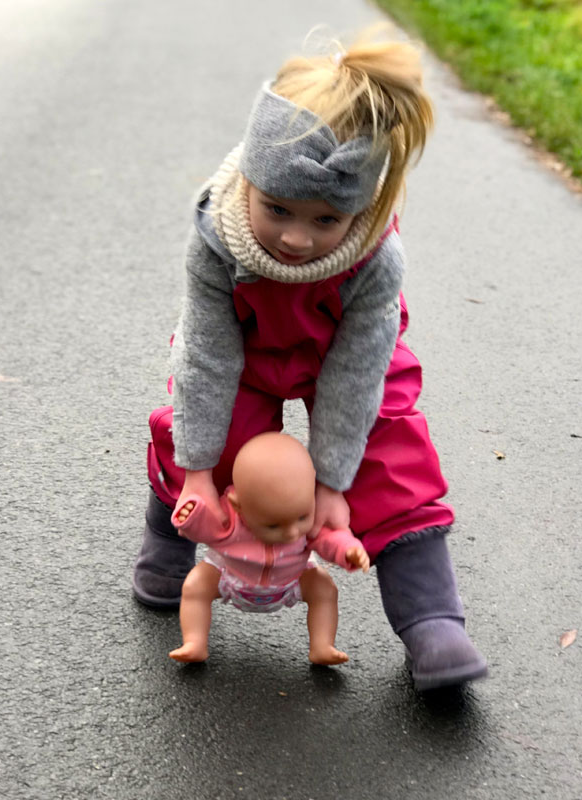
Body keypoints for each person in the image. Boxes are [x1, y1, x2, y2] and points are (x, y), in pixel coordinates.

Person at [133, 32, 488, 690]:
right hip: (243, 349)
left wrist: (332, 489)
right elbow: (207, 355)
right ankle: (168, 533)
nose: (297, 237)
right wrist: (201, 473)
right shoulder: (218, 232)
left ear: (363, 207)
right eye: (278, 209)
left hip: (348, 354)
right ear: (252, 183)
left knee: (391, 455)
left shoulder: (374, 255)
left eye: (326, 220)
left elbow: (358, 376)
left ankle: (434, 621)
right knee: (202, 427)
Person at [168, 432, 370, 664]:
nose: (292, 533)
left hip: (292, 579)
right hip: (231, 577)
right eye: (273, 525)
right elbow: (205, 528)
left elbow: (327, 538)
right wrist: (191, 514)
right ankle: (194, 642)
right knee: (195, 586)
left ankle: (322, 646)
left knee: (325, 589)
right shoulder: (232, 520)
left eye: (302, 518)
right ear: (239, 507)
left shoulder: (307, 520)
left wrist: (348, 550)